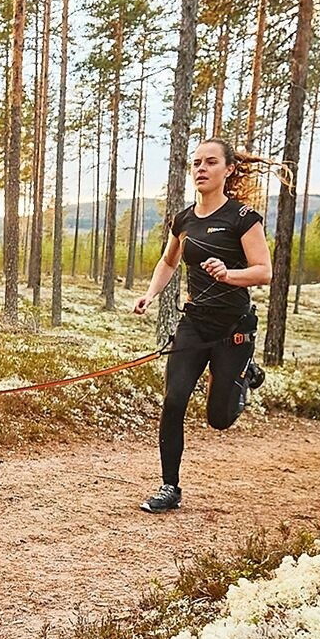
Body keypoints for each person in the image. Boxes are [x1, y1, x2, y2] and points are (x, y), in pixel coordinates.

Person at [133, 138, 274, 513]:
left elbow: (264, 272)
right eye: (196, 163)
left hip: (234, 329)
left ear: (228, 170)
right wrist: (150, 294)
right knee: (173, 401)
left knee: (219, 419)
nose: (201, 168)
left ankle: (246, 373)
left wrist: (229, 274)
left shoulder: (243, 218)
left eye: (210, 162)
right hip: (194, 324)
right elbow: (168, 262)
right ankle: (169, 487)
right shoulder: (184, 219)